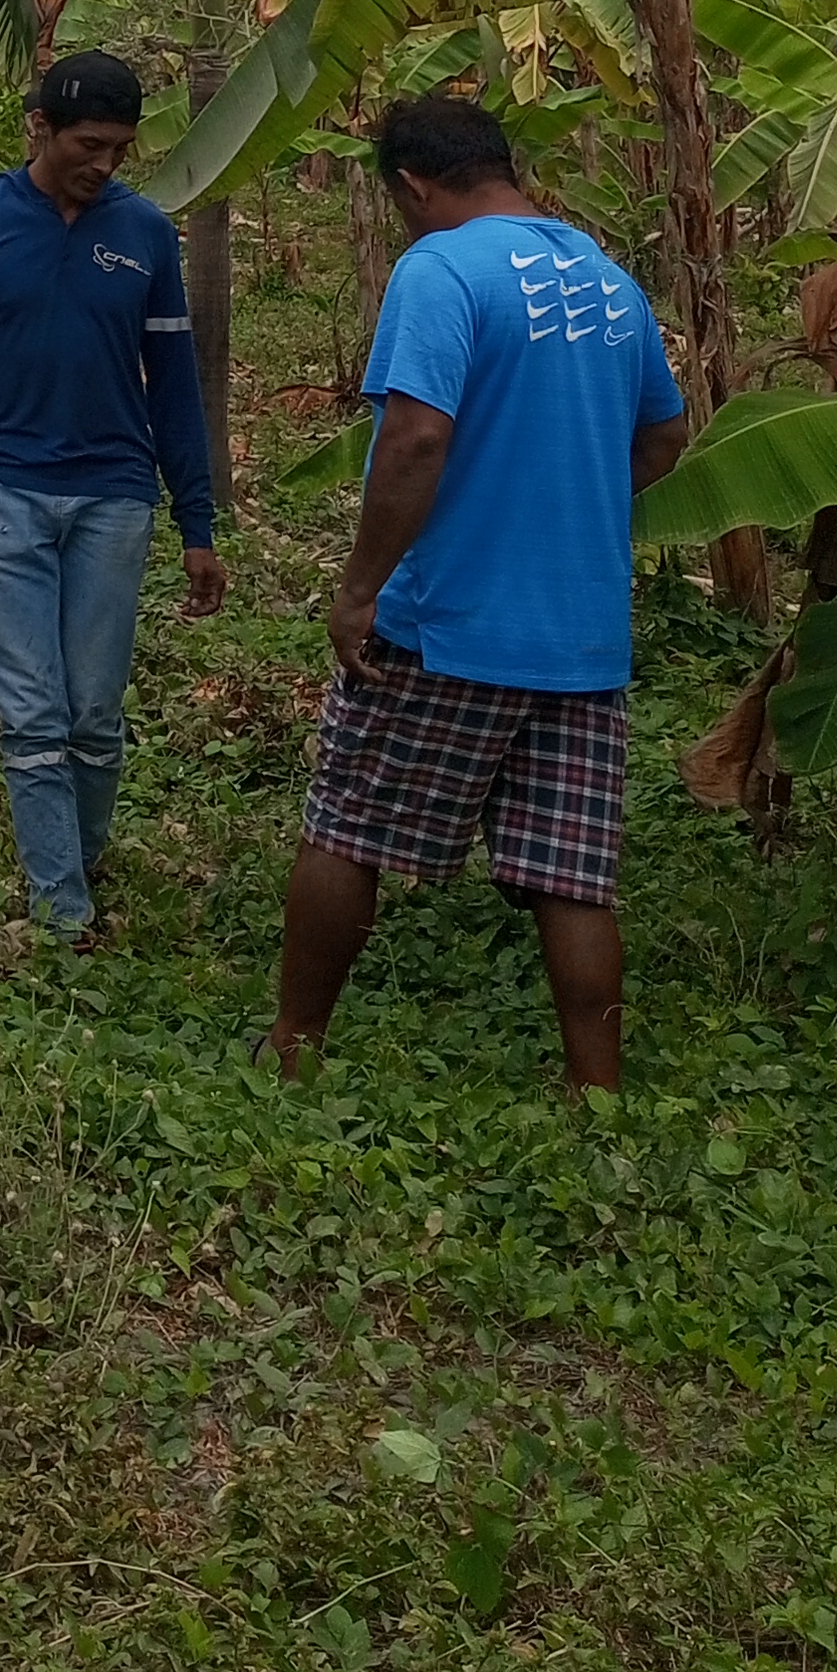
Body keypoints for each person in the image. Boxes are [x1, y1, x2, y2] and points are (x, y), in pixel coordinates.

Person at [263, 92, 689, 1094]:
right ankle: (598, 1096)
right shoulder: (610, 279)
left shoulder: (442, 268)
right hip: (582, 638)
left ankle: (291, 1048)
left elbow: (416, 437)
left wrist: (358, 589)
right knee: (572, 873)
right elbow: (667, 436)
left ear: (413, 185)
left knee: (348, 825)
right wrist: (566, 497)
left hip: (449, 622)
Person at [0, 49, 226, 944]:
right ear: (40, 128)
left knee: (93, 712)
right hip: (0, 489)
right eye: (90, 144)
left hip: (114, 496)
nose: (106, 163)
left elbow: (175, 387)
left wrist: (196, 524)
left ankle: (75, 859)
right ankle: (63, 911)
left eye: (121, 147)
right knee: (33, 712)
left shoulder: (146, 235)